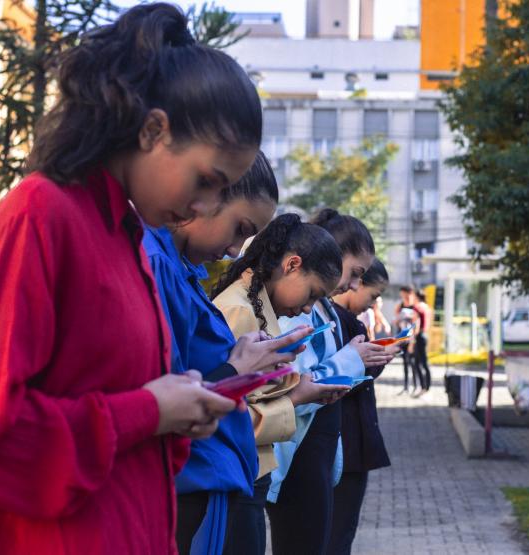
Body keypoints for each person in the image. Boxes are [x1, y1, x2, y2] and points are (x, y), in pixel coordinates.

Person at [0, 5, 289, 553]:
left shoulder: (128, 238)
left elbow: (117, 412)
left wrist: (177, 414)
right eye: (207, 181)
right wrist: (148, 411)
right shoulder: (41, 215)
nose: (205, 206)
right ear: (153, 129)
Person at [145, 153, 318, 554]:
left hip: (206, 480)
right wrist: (237, 368)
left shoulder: (178, 267)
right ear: (203, 195)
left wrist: (242, 362)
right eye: (240, 229)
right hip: (184, 482)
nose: (233, 249)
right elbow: (160, 400)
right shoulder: (155, 263)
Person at [212, 213, 351, 555]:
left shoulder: (256, 307)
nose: (307, 308)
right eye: (312, 294)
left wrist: (296, 387)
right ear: (291, 264)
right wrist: (296, 398)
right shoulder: (238, 311)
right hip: (236, 479)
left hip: (249, 475)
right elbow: (224, 420)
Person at [269, 209, 394, 555]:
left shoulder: (322, 309)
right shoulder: (298, 309)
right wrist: (352, 360)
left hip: (319, 456)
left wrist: (359, 363)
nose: (355, 286)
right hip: (298, 458)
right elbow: (294, 385)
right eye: (354, 273)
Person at [328, 259, 394, 554]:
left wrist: (373, 359)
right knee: (336, 535)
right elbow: (343, 379)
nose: (372, 304)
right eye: (373, 295)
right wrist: (372, 361)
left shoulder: (336, 317)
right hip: (344, 446)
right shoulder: (335, 320)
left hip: (345, 446)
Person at [394, 286, 423, 395]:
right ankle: (406, 387)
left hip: (412, 339)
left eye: (403, 293)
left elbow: (417, 325)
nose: (402, 296)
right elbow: (396, 321)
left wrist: (413, 340)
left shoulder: (415, 306)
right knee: (405, 363)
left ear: (409, 293)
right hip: (402, 339)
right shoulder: (400, 306)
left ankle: (416, 386)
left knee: (413, 363)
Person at [411, 289, 433, 395]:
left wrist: (412, 340)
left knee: (418, 363)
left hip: (419, 336)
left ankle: (424, 387)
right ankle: (427, 385)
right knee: (423, 362)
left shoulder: (417, 307)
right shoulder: (427, 307)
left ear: (416, 296)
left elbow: (417, 324)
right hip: (425, 335)